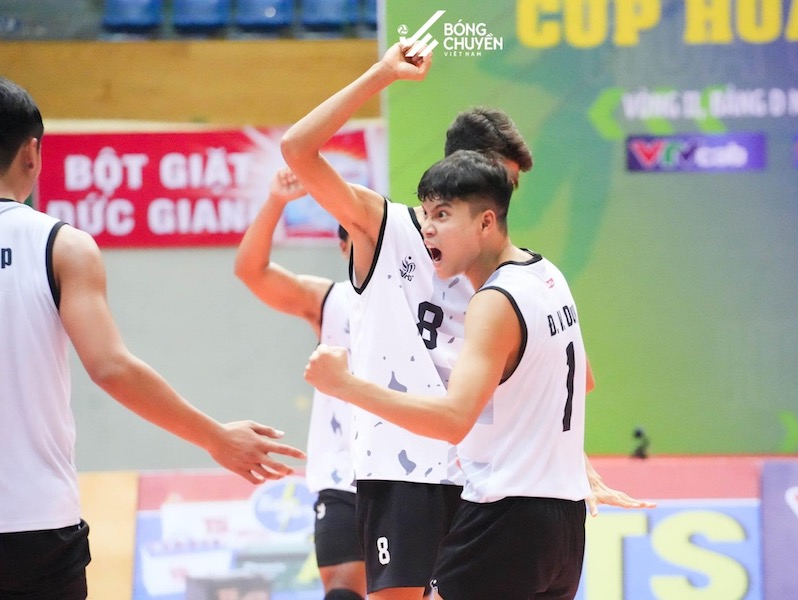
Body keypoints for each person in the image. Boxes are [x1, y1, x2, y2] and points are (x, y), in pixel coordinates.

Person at [281, 43, 644, 599]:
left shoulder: (504, 269)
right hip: (404, 467)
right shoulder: (385, 226)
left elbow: (564, 380)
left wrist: (573, 461)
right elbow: (297, 149)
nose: (506, 194)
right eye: (500, 178)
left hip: (481, 474)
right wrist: (382, 74)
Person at [0, 77, 305, 599]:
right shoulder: (61, 246)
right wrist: (215, 437)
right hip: (36, 524)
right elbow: (110, 368)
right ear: (32, 153)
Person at [234, 167, 365, 600]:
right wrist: (275, 201)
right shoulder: (330, 300)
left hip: (411, 474)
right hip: (343, 475)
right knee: (342, 590)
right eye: (357, 237)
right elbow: (251, 271)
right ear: (343, 246)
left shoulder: (421, 301)